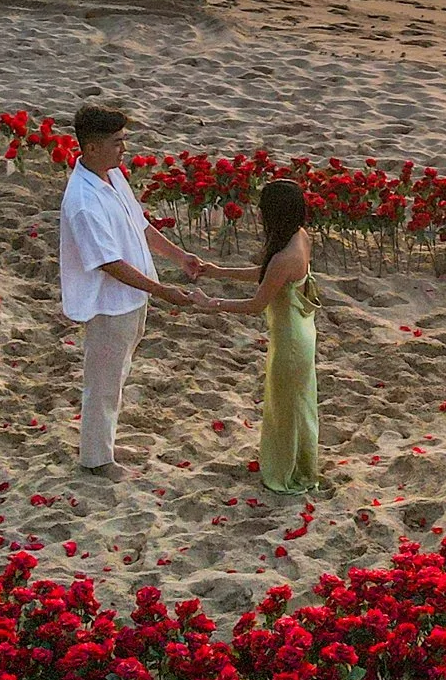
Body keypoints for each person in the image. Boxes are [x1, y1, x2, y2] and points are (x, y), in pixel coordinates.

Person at [58, 103, 207, 475]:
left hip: (131, 299)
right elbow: (108, 262)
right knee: (103, 381)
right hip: (108, 303)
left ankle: (103, 444)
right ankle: (96, 460)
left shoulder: (113, 177)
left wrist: (177, 256)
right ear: (91, 148)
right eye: (117, 141)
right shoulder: (82, 201)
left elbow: (138, 224)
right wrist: (164, 291)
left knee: (117, 374)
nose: (124, 148)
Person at [191, 178, 321, 494]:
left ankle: (286, 472)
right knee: (299, 406)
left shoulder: (283, 256)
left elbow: (255, 304)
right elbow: (266, 277)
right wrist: (217, 271)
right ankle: (302, 465)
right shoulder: (299, 239)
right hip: (301, 332)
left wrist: (212, 304)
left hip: (289, 341)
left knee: (285, 410)